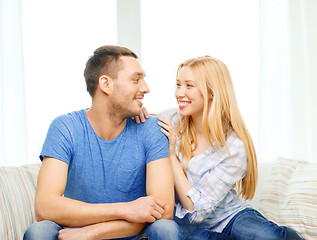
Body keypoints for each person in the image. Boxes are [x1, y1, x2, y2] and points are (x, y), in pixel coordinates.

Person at [23, 45, 183, 240]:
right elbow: (44, 206)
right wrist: (127, 209)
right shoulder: (65, 127)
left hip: (127, 236)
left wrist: (93, 232)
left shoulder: (151, 129)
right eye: (136, 80)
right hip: (72, 234)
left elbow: (163, 210)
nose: (145, 88)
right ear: (106, 84)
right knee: (39, 232)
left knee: (166, 229)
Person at [156, 56, 303, 239]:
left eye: (189, 85)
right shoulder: (169, 121)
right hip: (192, 229)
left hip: (230, 217)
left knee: (265, 236)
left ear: (211, 92)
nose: (179, 93)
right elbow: (194, 216)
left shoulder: (234, 146)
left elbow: (197, 210)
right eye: (178, 84)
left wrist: (171, 156)